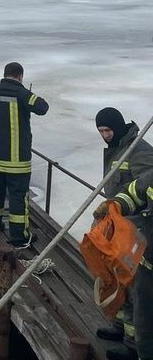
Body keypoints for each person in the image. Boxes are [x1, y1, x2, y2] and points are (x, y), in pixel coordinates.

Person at [93, 108, 153, 360]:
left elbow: (143, 188)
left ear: (117, 127)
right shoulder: (116, 147)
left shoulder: (139, 151)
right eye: (101, 132)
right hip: (115, 225)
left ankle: (131, 343)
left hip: (134, 229)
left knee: (133, 285)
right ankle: (118, 327)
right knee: (115, 278)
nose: (105, 136)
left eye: (108, 130)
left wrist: (124, 210)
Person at [0, 62, 49, 247]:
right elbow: (43, 107)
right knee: (18, 197)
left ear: (5, 74)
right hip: (17, 160)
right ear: (20, 76)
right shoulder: (22, 93)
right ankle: (19, 236)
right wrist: (29, 95)